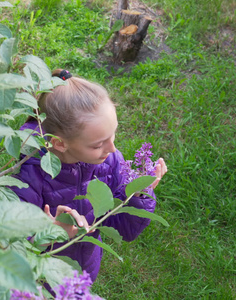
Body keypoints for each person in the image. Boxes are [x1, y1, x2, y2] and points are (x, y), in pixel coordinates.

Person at [10, 69, 168, 283]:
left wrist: (138, 195)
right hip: (41, 277)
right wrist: (47, 234)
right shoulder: (29, 174)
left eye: (113, 135)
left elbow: (123, 228)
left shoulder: (108, 161)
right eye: (98, 144)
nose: (112, 148)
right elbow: (6, 245)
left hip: (84, 266)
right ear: (59, 143)